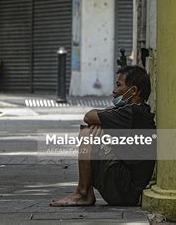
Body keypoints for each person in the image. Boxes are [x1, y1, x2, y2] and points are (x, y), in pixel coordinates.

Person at [51, 65, 156, 206]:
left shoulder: (131, 112)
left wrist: (101, 124)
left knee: (87, 134)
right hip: (128, 190)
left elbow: (89, 116)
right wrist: (103, 124)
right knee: (94, 131)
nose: (114, 91)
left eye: (119, 85)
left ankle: (82, 193)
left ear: (134, 91)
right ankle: (85, 192)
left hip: (125, 190)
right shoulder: (138, 112)